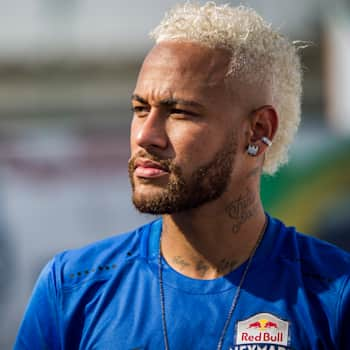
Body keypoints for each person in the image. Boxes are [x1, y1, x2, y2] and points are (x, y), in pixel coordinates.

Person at [15, 2, 350, 350]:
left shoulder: (334, 295)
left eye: (180, 112)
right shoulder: (72, 287)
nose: (146, 135)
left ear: (258, 131)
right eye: (140, 109)